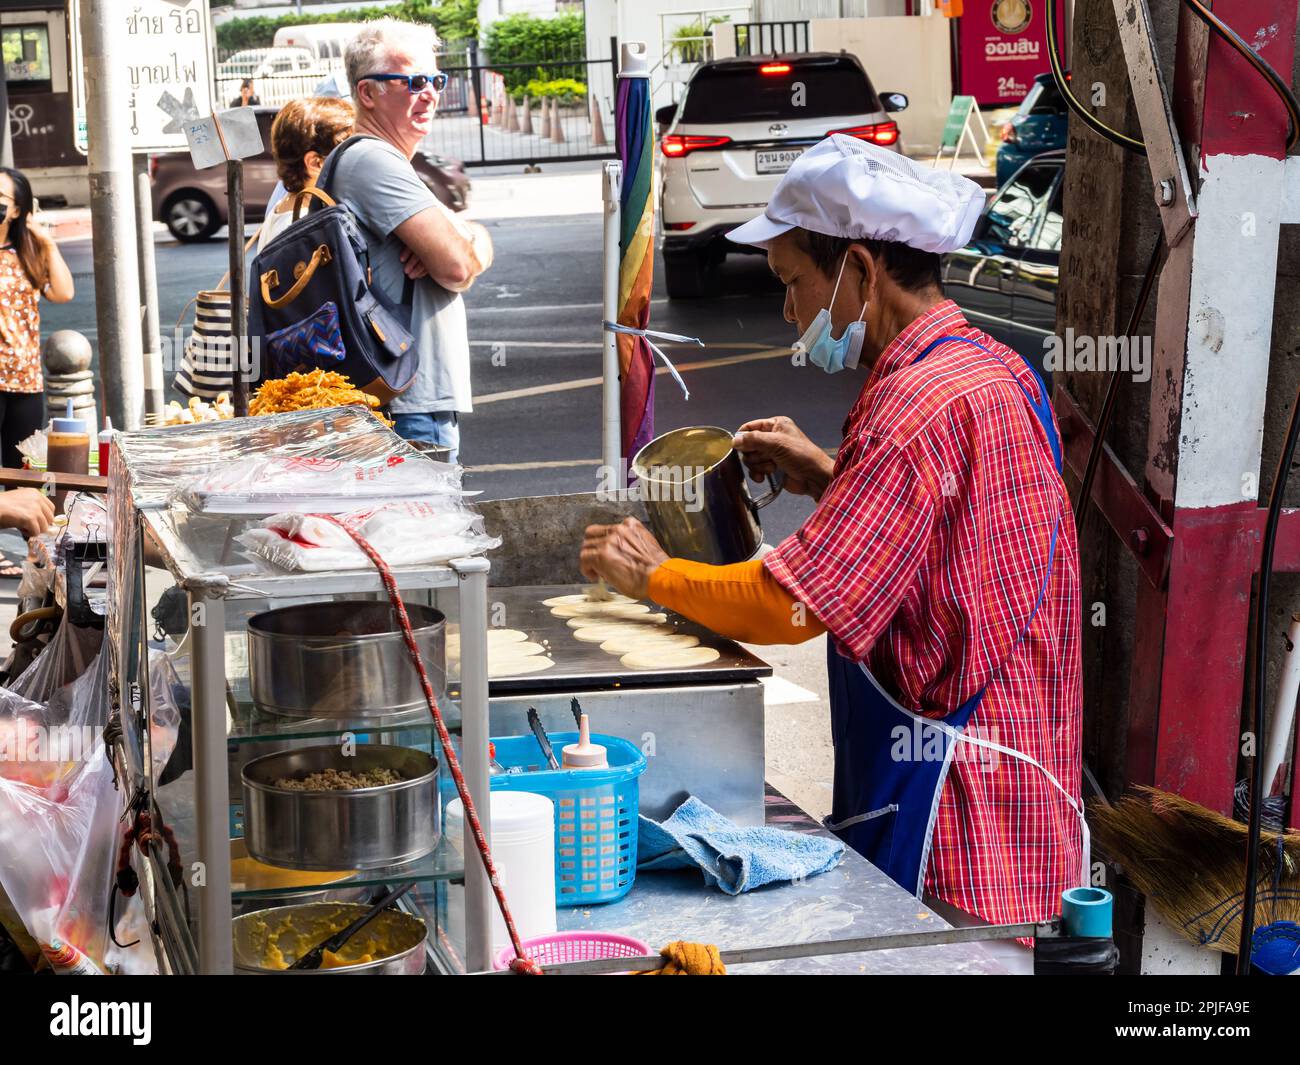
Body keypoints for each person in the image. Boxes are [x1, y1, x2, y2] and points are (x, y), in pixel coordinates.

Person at [579, 136, 1084, 974]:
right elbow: (948, 525)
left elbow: (792, 605)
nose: (785, 312)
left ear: (857, 266)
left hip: (959, 820)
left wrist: (650, 573)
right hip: (1020, 789)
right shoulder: (990, 366)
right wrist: (828, 473)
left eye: (790, 283)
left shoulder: (911, 409)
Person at [326, 17, 492, 462]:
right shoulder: (375, 162)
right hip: (408, 406)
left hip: (408, 400)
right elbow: (457, 268)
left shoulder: (379, 161)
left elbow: (467, 247)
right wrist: (460, 244)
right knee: (423, 531)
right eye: (413, 81)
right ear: (368, 93)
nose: (431, 93)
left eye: (436, 79)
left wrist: (466, 235)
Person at [0, 166, 71, 575]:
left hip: (25, 379)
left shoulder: (28, 251)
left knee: (25, 467)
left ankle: (35, 550)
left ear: (17, 210)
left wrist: (44, 239)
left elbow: (62, 292)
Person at [259, 97, 355, 253]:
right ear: (316, 163)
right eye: (349, 154)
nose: (358, 163)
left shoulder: (287, 208)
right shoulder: (307, 229)